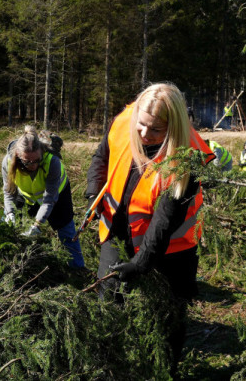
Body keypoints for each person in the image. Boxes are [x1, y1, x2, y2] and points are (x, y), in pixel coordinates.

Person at [85, 82, 214, 374]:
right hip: (116, 237)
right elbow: (100, 158)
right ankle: (110, 368)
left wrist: (141, 264)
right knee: (109, 305)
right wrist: (94, 195)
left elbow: (166, 219)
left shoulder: (186, 158)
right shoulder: (124, 122)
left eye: (156, 131)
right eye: (141, 126)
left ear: (174, 127)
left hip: (172, 252)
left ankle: (163, 371)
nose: (144, 135)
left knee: (168, 319)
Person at [2, 127, 85, 269]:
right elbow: (9, 192)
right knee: (6, 228)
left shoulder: (52, 161)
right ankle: (5, 263)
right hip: (27, 196)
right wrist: (10, 213)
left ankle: (77, 269)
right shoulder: (9, 162)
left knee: (66, 230)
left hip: (56, 196)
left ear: (41, 152)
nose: (33, 165)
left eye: (36, 160)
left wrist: (36, 224)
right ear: (18, 155)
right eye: (27, 162)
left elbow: (49, 199)